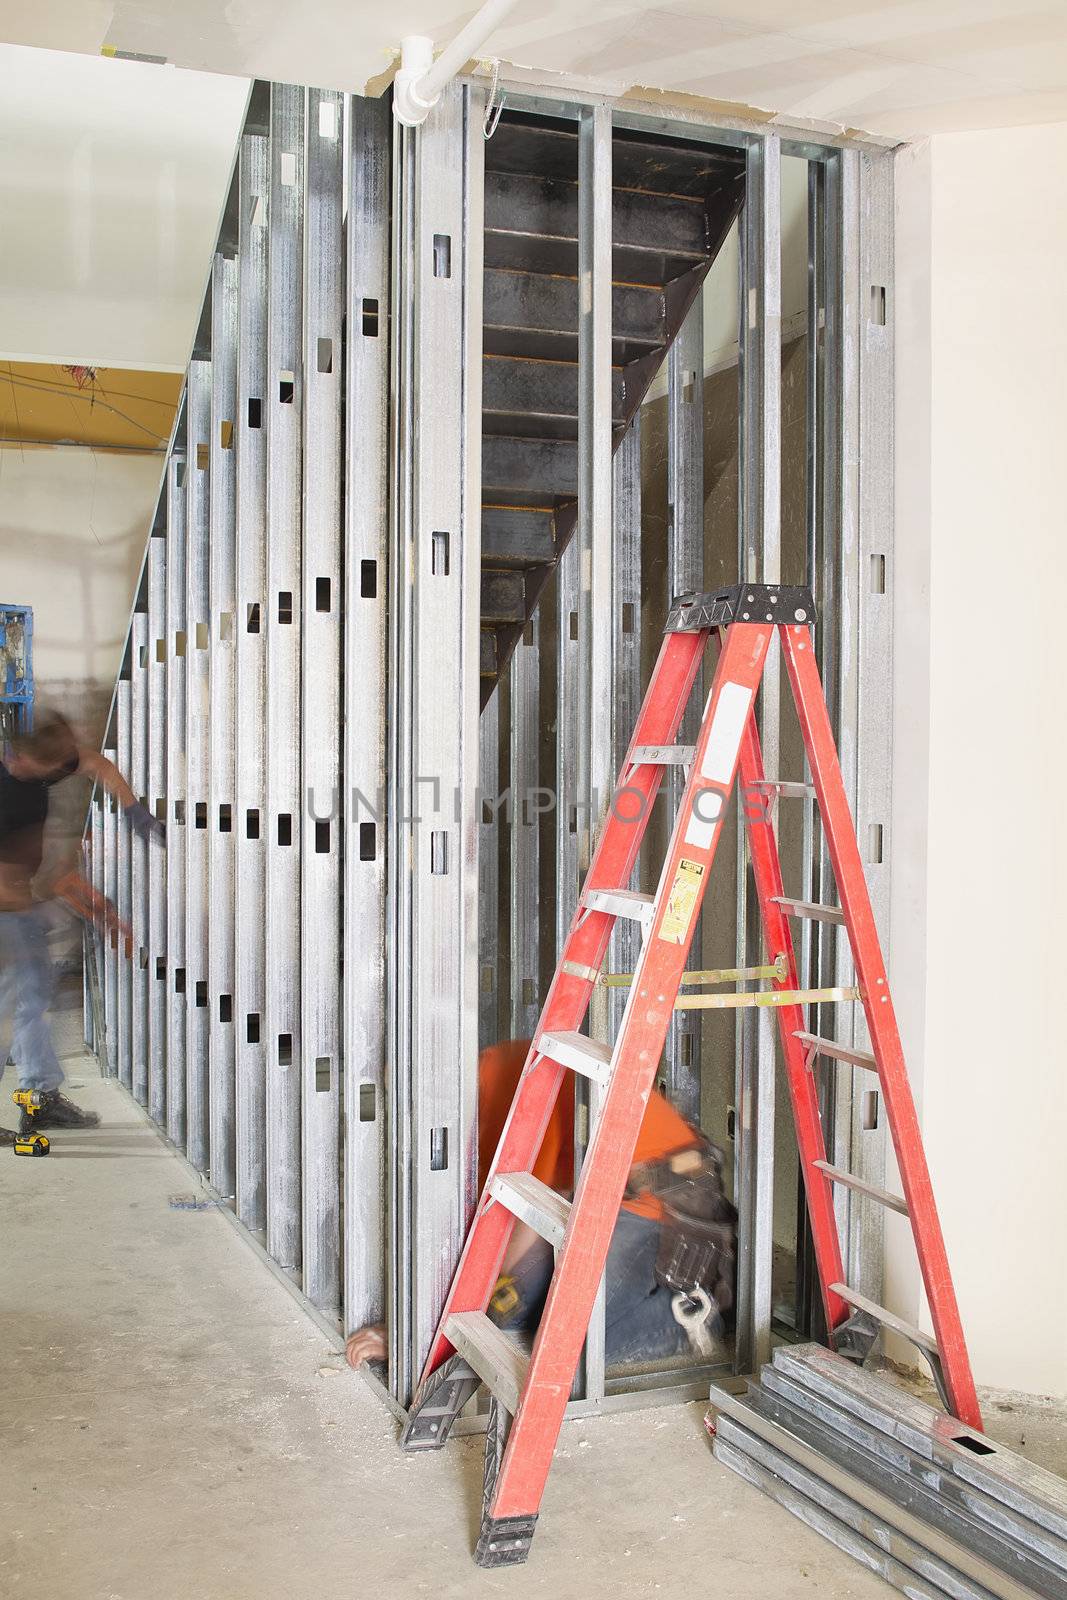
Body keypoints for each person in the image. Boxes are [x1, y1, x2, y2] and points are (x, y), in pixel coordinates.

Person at [345, 1037, 737, 1372]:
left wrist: (431, 1335)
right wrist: (418, 1323)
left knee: (569, 1353)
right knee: (514, 1313)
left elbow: (520, 1223)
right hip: (593, 1200)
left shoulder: (511, 1083)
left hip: (658, 1204)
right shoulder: (469, 1109)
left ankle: (688, 1318)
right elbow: (478, 1232)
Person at [0, 713, 157, 1145]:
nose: (66, 771)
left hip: (21, 911)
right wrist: (103, 912)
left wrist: (133, 809)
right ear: (37, 763)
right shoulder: (10, 799)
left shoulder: (37, 772)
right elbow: (56, 878)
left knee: (30, 1006)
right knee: (12, 1013)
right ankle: (39, 1094)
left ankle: (40, 1095)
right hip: (7, 918)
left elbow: (94, 764)